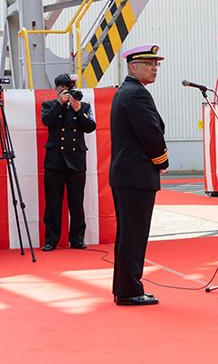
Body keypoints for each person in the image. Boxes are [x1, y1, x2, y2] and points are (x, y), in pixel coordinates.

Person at [110, 44, 169, 306]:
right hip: (136, 175)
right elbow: (151, 134)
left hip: (126, 175)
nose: (155, 68)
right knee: (134, 236)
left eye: (156, 64)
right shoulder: (137, 95)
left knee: (128, 235)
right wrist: (162, 160)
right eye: (149, 64)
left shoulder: (127, 92)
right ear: (133, 66)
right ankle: (129, 291)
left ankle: (125, 287)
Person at [40, 73, 97, 251]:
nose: (67, 93)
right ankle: (51, 240)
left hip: (76, 162)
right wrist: (60, 103)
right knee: (53, 203)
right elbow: (47, 120)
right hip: (55, 162)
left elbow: (90, 127)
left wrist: (77, 108)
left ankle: (77, 239)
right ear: (56, 89)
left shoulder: (84, 106)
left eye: (69, 89)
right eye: (63, 89)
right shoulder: (49, 105)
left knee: (77, 202)